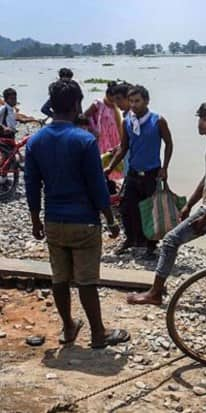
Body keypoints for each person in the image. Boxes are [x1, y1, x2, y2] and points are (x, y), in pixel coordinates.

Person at [24, 79, 129, 349]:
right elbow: (97, 186)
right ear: (75, 105)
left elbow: (32, 184)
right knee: (86, 280)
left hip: (53, 220)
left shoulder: (36, 141)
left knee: (59, 277)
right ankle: (97, 333)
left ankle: (69, 326)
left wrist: (36, 220)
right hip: (83, 221)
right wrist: (110, 219)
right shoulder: (84, 140)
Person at [127, 101, 206, 305]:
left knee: (170, 241)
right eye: (200, 118)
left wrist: (205, 218)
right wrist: (189, 204)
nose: (200, 124)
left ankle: (155, 293)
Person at [104, 85, 174, 259]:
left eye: (137, 101)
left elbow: (169, 144)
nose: (134, 105)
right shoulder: (127, 121)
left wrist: (165, 167)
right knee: (126, 208)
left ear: (146, 101)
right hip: (134, 173)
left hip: (152, 173)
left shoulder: (158, 120)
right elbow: (124, 147)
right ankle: (131, 239)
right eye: (131, 101)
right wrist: (110, 167)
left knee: (151, 210)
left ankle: (151, 245)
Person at [84, 81, 122, 156]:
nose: (115, 99)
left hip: (114, 136)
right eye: (114, 97)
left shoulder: (116, 106)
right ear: (107, 94)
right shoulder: (98, 103)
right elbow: (85, 115)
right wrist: (93, 129)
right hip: (101, 137)